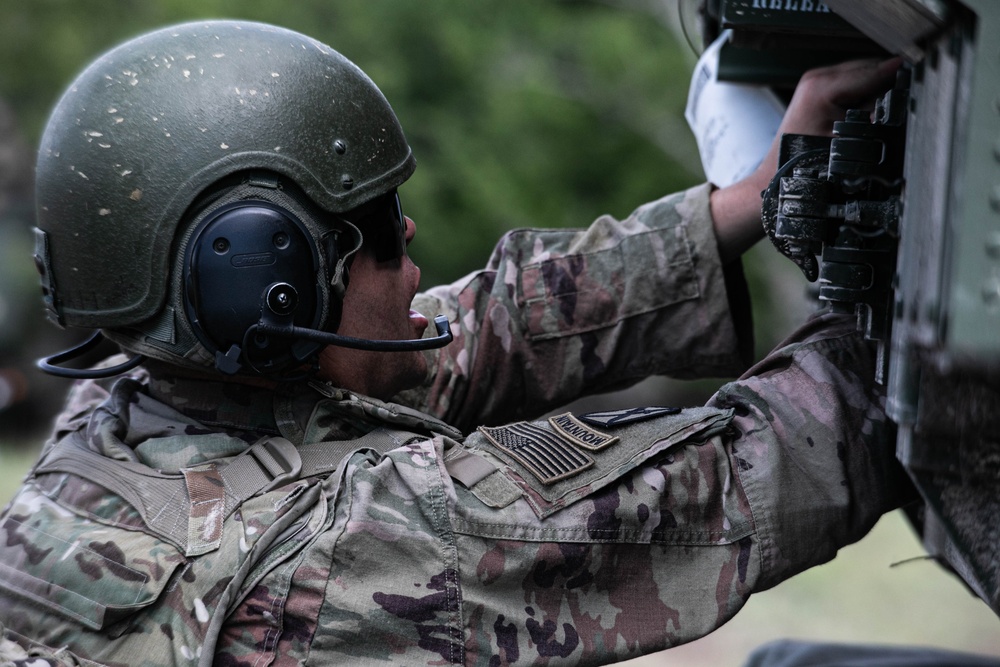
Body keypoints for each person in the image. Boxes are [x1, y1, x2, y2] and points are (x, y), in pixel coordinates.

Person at [0, 20, 908, 667]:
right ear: (264, 285)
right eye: (386, 226)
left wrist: (742, 203)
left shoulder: (106, 434)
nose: (415, 236)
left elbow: (482, 328)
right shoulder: (354, 549)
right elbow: (769, 461)